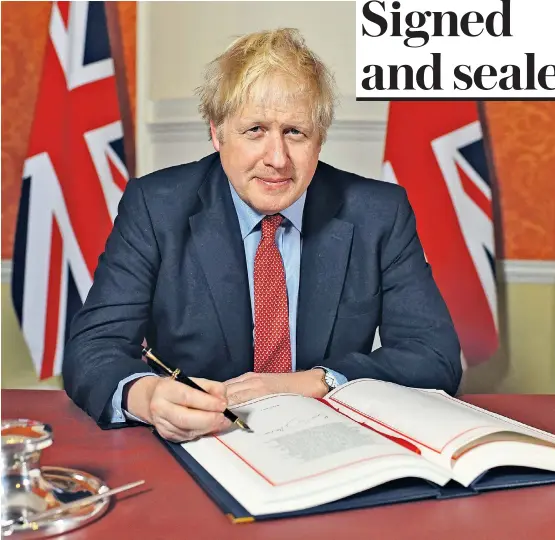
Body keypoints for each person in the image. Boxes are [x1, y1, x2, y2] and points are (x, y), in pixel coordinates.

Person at [63, 28, 462, 443]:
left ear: (319, 138)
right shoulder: (156, 206)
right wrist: (148, 397)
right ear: (217, 133)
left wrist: (315, 381)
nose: (277, 159)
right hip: (201, 444)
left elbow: (433, 357)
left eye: (296, 132)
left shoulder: (377, 212)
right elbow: (92, 347)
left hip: (331, 442)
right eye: (255, 130)